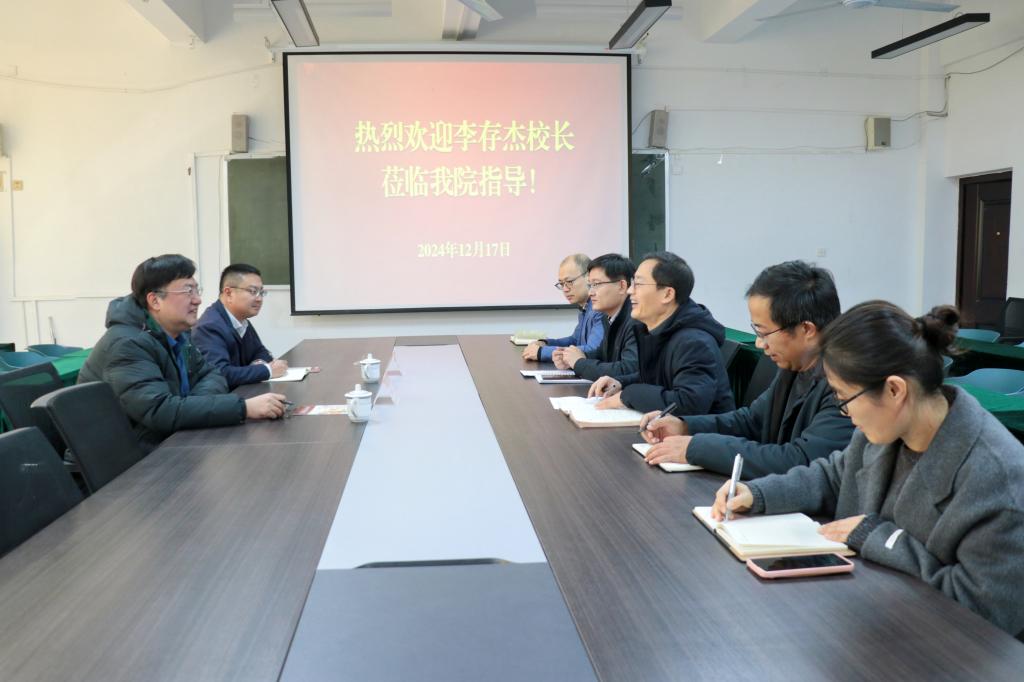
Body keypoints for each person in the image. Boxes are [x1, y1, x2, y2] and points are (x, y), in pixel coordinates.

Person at [710, 302, 1024, 639]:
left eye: (845, 399)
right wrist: (758, 493)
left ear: (895, 389)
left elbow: (983, 610)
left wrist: (878, 537)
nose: (845, 413)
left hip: (944, 648)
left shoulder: (996, 478)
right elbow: (832, 476)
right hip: (871, 620)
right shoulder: (887, 428)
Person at [638, 261, 853, 478]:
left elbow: (800, 461)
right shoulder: (794, 364)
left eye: (764, 333)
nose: (759, 343)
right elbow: (752, 421)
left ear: (806, 329)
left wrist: (697, 448)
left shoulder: (846, 384)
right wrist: (685, 426)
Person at [78, 254, 287, 453]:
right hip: (128, 458)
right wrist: (243, 408)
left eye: (197, 290)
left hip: (172, 439)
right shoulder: (127, 344)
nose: (197, 300)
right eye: (188, 291)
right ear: (155, 300)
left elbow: (212, 374)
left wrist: (190, 405)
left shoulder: (179, 335)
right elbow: (160, 410)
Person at [589, 252, 733, 414]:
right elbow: (656, 378)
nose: (630, 291)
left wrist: (628, 395)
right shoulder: (655, 329)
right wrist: (620, 382)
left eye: (638, 284)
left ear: (667, 294)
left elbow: (688, 403)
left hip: (699, 429)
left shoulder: (694, 341)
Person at [192, 263, 288, 390]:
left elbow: (261, 352)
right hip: (224, 399)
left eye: (261, 292)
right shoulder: (209, 326)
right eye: (253, 291)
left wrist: (258, 363)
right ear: (229, 293)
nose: (259, 299)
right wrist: (267, 370)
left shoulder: (241, 320)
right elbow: (220, 374)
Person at [552, 253, 639, 381]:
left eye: (596, 284)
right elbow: (602, 354)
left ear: (622, 286)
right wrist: (570, 357)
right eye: (590, 285)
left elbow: (627, 370)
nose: (591, 292)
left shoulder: (636, 321)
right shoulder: (608, 318)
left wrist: (579, 363)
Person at [522, 254, 604, 362]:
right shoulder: (585, 308)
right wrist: (545, 343)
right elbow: (574, 341)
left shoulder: (600, 308)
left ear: (588, 277)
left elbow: (593, 350)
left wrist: (542, 352)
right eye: (561, 284)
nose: (565, 289)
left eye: (569, 282)